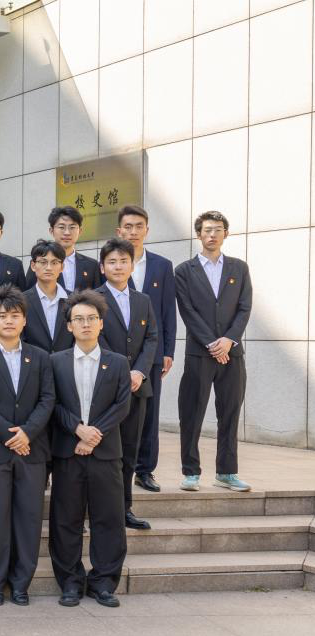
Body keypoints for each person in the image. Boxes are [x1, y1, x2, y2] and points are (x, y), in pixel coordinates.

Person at [0, 285, 55, 606]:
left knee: (28, 519)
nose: (8, 320)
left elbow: (48, 399)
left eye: (14, 315)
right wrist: (11, 436)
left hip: (32, 451)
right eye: (2, 315)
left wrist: (27, 433)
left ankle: (21, 583)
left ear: (24, 320)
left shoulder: (40, 357)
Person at [49, 290, 132, 609]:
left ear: (101, 323)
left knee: (108, 519)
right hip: (69, 452)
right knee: (65, 519)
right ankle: (70, 582)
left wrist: (94, 434)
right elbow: (51, 403)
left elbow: (122, 404)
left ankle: (103, 582)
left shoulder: (118, 362)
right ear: (69, 326)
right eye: (78, 319)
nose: (85, 324)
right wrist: (77, 429)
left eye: (91, 318)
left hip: (106, 453)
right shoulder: (55, 362)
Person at [175, 211, 253, 492]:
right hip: (200, 353)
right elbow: (188, 311)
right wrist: (212, 343)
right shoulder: (184, 271)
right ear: (199, 234)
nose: (212, 234)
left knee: (229, 413)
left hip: (232, 354)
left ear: (225, 234)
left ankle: (227, 472)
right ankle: (190, 472)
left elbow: (244, 307)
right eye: (207, 230)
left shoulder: (239, 268)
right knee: (192, 413)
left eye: (218, 229)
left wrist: (229, 340)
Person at [95, 238, 159, 530]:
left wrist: (139, 372)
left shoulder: (143, 300)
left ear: (132, 266)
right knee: (104, 452)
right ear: (102, 267)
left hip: (137, 387)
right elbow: (95, 338)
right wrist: (123, 372)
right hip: (105, 388)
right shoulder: (92, 299)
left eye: (124, 261)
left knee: (129, 452)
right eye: (112, 261)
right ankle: (99, 509)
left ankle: (124, 509)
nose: (118, 267)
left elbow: (152, 338)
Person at [116, 205, 177, 494]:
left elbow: (168, 310)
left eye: (138, 226)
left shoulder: (162, 266)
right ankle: (116, 468)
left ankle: (145, 470)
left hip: (152, 352)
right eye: (128, 226)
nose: (133, 232)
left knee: (149, 414)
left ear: (147, 230)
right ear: (119, 231)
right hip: (117, 352)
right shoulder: (111, 261)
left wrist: (168, 351)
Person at [25, 206, 101, 292]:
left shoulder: (92, 265)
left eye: (72, 227)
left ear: (80, 231)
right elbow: (29, 293)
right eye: (61, 227)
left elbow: (98, 295)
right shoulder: (40, 263)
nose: (67, 233)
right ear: (51, 231)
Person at [22, 239, 74, 353]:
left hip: (67, 361)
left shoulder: (74, 300)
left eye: (54, 263)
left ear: (62, 267)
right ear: (33, 265)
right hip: (34, 362)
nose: (49, 267)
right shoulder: (21, 301)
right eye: (43, 262)